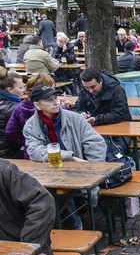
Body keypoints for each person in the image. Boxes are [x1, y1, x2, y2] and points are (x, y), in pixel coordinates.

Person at [24, 85, 107, 230]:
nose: (55, 102)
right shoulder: (31, 125)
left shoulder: (74, 118)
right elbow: (35, 151)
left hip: (81, 172)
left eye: (55, 98)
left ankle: (72, 228)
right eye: (49, 100)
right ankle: (67, 229)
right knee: (46, 193)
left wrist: (94, 169)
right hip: (50, 173)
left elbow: (96, 143)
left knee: (60, 195)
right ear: (37, 105)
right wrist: (70, 157)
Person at [6, 74, 56, 159]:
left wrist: (26, 141)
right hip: (54, 152)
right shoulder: (51, 109)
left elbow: (10, 131)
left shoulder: (19, 107)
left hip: (31, 153)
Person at [0, 70, 25, 159]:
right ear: (10, 89)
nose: (23, 91)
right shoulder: (13, 108)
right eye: (21, 87)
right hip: (7, 154)